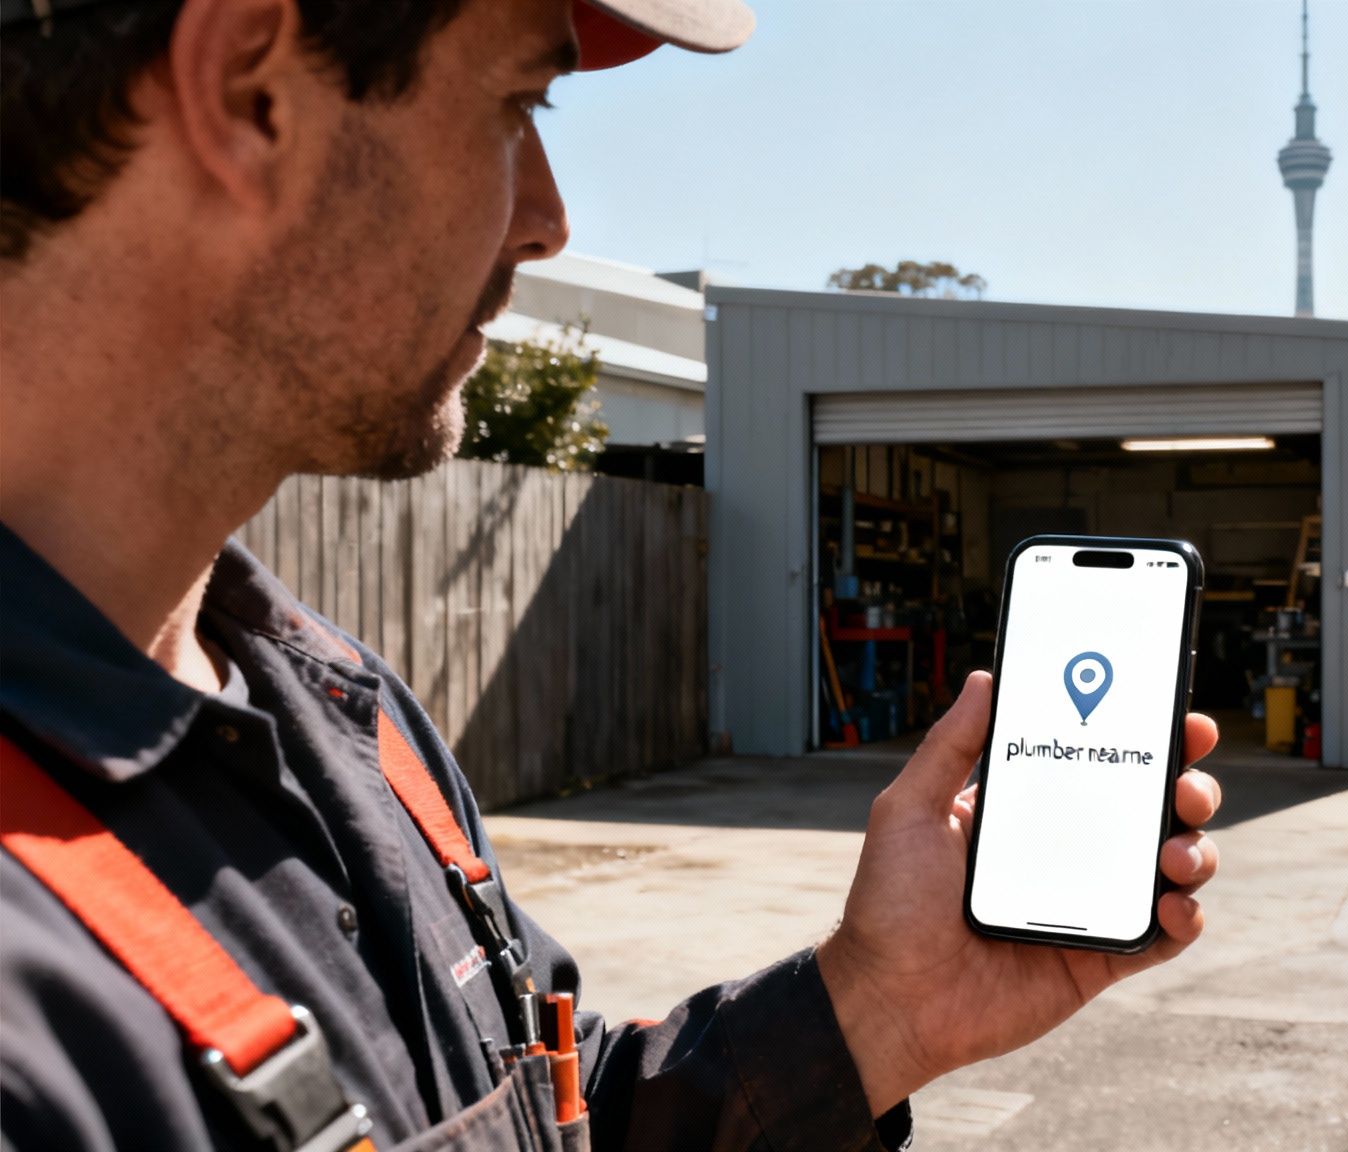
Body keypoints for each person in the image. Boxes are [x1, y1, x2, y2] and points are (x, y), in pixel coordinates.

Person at [0, 0, 1226, 1148]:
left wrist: (877, 1010)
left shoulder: (339, 711)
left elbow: (548, 1113)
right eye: (517, 103)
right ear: (247, 90)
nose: (548, 217)